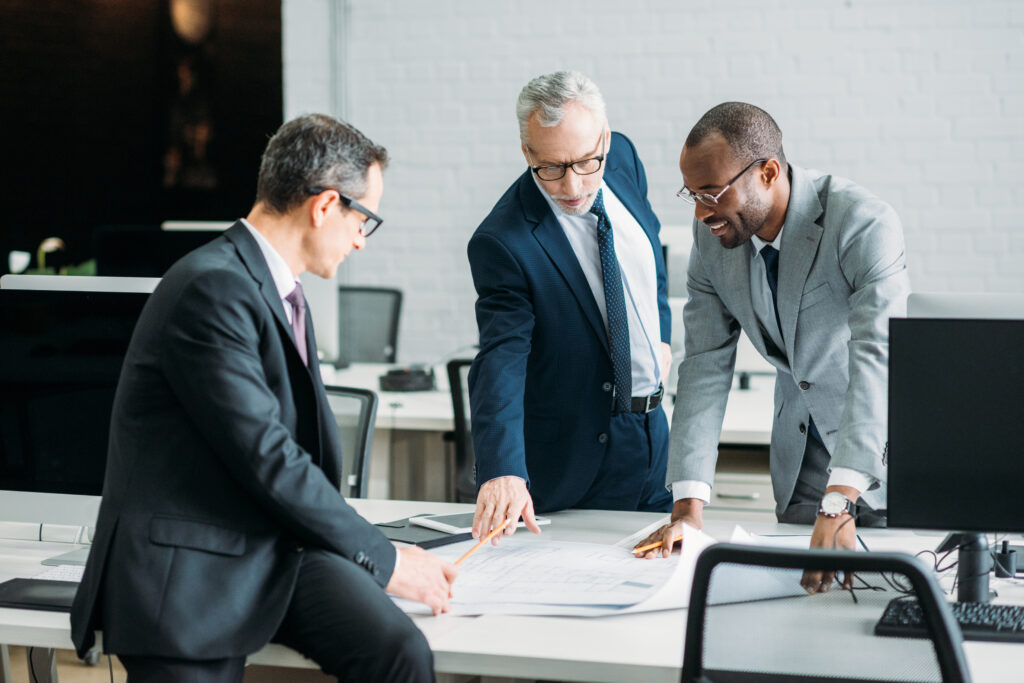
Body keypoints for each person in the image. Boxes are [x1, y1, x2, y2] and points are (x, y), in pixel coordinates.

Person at [71, 114, 457, 682]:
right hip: (191, 571)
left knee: (399, 652)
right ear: (326, 206)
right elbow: (267, 456)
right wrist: (390, 560)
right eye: (365, 219)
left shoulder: (278, 290)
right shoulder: (211, 287)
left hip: (272, 546)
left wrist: (373, 552)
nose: (360, 240)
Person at [635, 102, 910, 590]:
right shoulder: (711, 242)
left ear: (767, 172)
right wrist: (687, 508)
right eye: (692, 195)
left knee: (887, 604)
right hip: (799, 461)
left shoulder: (862, 222)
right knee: (801, 608)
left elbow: (877, 356)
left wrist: (841, 496)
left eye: (713, 193)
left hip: (883, 459)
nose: (702, 213)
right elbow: (703, 365)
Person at [467, 70, 673, 543]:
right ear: (527, 153)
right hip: (581, 457)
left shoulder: (622, 159)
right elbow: (501, 357)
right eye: (552, 168)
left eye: (585, 162)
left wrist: (659, 337)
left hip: (654, 436)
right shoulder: (504, 241)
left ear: (603, 140)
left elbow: (648, 254)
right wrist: (502, 469)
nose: (573, 185)